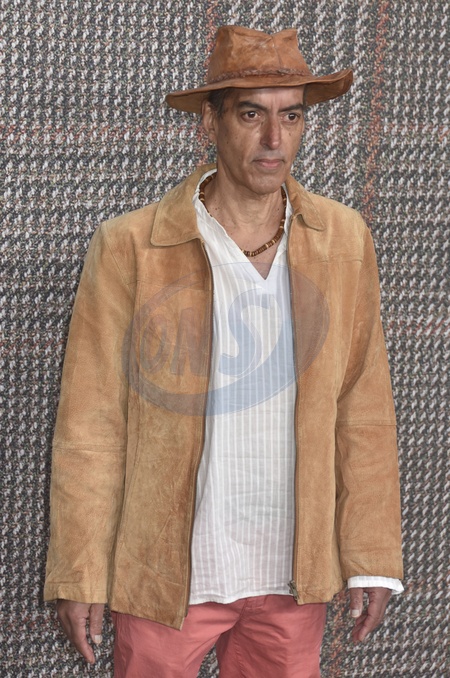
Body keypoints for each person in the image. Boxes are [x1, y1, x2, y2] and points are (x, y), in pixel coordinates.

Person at [44, 25, 403, 677]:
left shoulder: (344, 240)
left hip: (293, 576)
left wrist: (371, 555)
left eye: (291, 116)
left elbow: (364, 410)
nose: (274, 140)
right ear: (210, 123)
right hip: (167, 578)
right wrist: (81, 569)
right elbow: (91, 425)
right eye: (251, 115)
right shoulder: (132, 246)